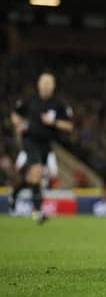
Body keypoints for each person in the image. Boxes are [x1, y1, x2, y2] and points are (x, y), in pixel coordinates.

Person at [9, 72, 73, 223]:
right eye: (43, 82)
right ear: (38, 84)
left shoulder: (58, 104)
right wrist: (18, 124)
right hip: (30, 141)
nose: (45, 85)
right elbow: (15, 114)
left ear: (53, 86)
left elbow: (69, 126)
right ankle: (37, 212)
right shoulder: (30, 100)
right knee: (37, 171)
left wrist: (54, 122)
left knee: (32, 177)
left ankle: (15, 193)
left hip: (46, 144)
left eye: (49, 83)